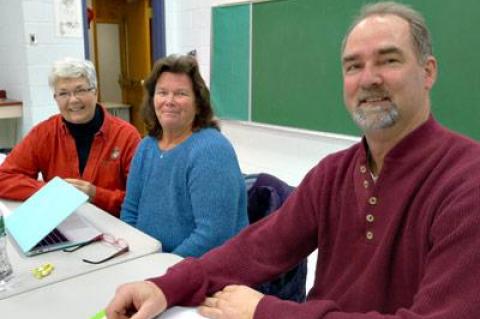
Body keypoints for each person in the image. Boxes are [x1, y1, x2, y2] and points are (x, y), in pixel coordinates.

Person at [106, 2, 480, 318]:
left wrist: (265, 311)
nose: (369, 79)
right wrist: (165, 287)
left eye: (388, 60)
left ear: (427, 71)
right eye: (353, 66)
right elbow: (259, 247)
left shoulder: (467, 182)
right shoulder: (333, 174)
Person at [120, 54, 248, 257]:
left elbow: (213, 236)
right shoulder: (146, 146)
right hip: (149, 262)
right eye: (162, 92)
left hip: (198, 271)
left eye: (181, 94)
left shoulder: (211, 150)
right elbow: (130, 212)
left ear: (198, 104)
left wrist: (164, 273)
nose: (169, 101)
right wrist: (134, 257)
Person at [0, 57, 140, 216]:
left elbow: (141, 200)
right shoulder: (44, 133)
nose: (73, 100)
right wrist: (51, 190)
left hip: (114, 227)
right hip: (62, 222)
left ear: (95, 92)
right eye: (64, 93)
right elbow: (3, 178)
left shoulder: (126, 136)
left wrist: (96, 195)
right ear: (56, 99)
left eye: (80, 90)